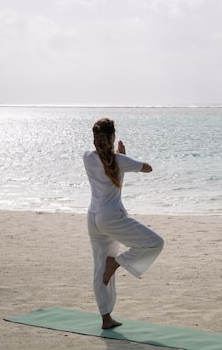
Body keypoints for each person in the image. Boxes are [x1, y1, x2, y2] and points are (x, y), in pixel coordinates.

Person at [83, 118, 164, 329]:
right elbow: (148, 168)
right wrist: (124, 156)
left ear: (95, 138)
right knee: (155, 243)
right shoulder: (119, 160)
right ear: (112, 137)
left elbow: (106, 162)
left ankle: (106, 318)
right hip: (111, 218)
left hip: (93, 218)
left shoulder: (87, 157)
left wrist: (119, 158)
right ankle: (116, 263)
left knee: (99, 268)